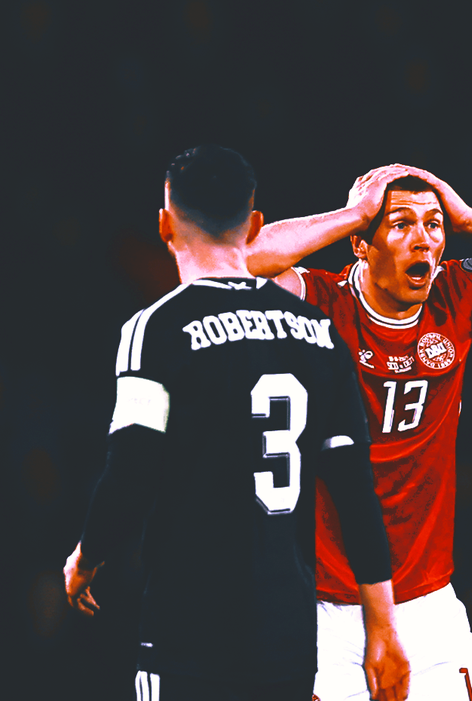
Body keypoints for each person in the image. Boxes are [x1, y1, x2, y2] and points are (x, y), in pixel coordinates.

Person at [244, 163, 472, 700]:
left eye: (433, 225)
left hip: (426, 604)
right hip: (325, 609)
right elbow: (240, 263)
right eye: (400, 224)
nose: (423, 239)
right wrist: (354, 213)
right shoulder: (321, 301)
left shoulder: (457, 293)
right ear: (360, 244)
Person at [62, 146, 409, 701]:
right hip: (289, 638)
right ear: (253, 225)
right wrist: (383, 627)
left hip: (189, 634)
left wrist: (88, 556)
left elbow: (131, 470)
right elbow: (355, 494)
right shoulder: (318, 332)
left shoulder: (156, 328)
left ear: (165, 225)